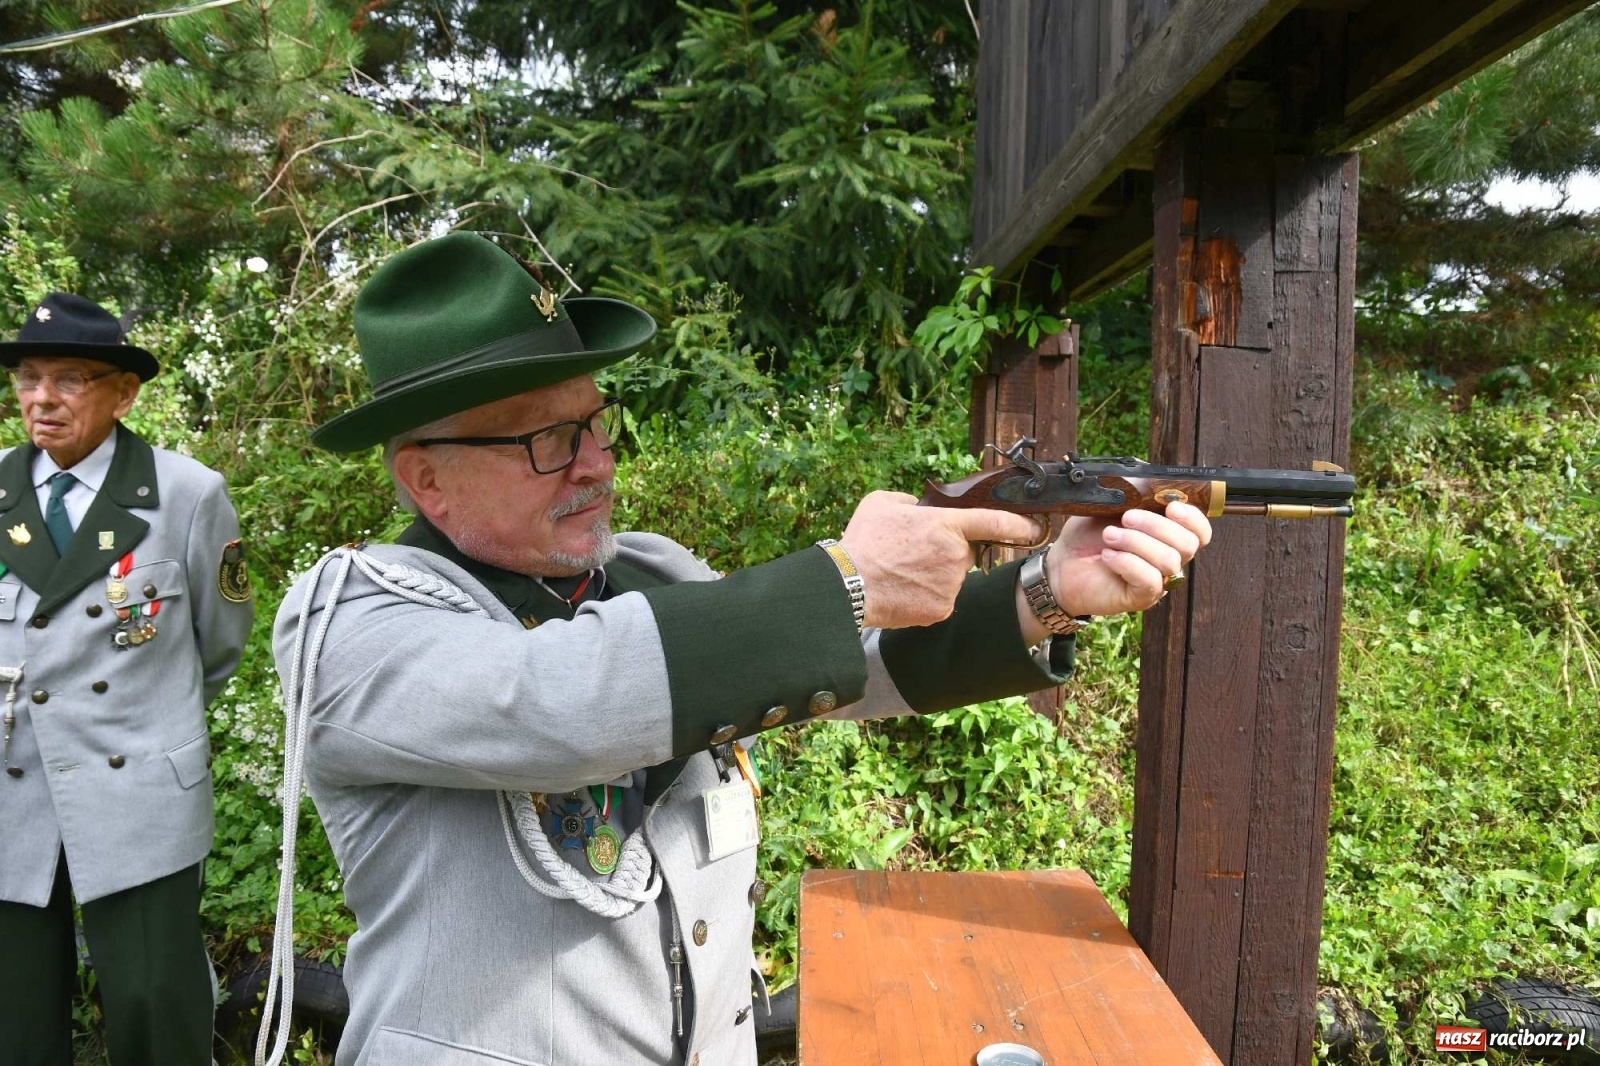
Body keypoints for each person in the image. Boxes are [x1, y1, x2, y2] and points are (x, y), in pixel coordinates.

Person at [264, 232, 1211, 1066]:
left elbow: (846, 666)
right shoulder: (350, 625)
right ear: (427, 479)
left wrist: (1052, 586)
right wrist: (843, 575)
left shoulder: (650, 576)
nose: (597, 461)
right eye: (549, 440)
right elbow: (558, 701)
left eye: (596, 421)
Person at [0, 293, 255, 1065]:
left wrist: (145, 722)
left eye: (69, 379)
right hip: (15, 788)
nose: (41, 400)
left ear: (124, 392)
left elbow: (219, 643)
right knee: (17, 1016)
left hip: (138, 786)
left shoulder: (186, 494)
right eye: (27, 377)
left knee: (154, 1006)